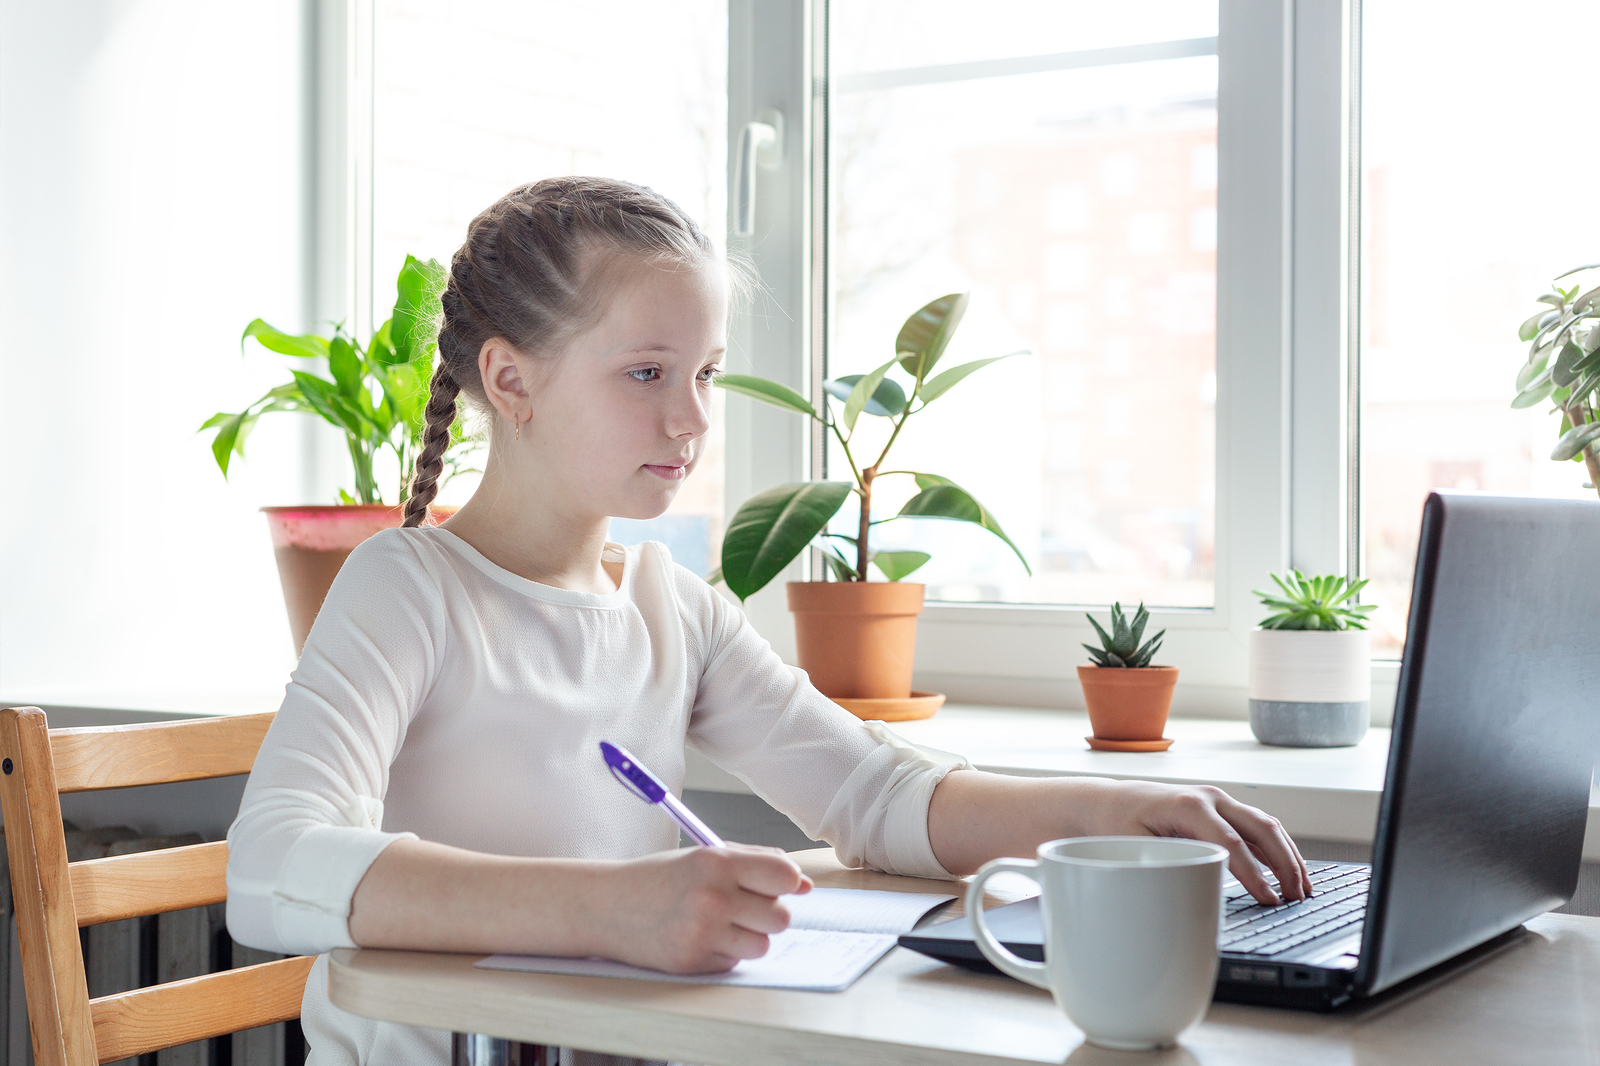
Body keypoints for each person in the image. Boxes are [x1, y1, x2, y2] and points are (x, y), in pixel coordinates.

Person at [226, 176, 1310, 1066]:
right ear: (511, 378)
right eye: (646, 373)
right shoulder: (406, 586)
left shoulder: (671, 608)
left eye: (704, 373)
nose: (693, 417)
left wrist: (1128, 816)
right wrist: (613, 910)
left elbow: (874, 794)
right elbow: (271, 864)